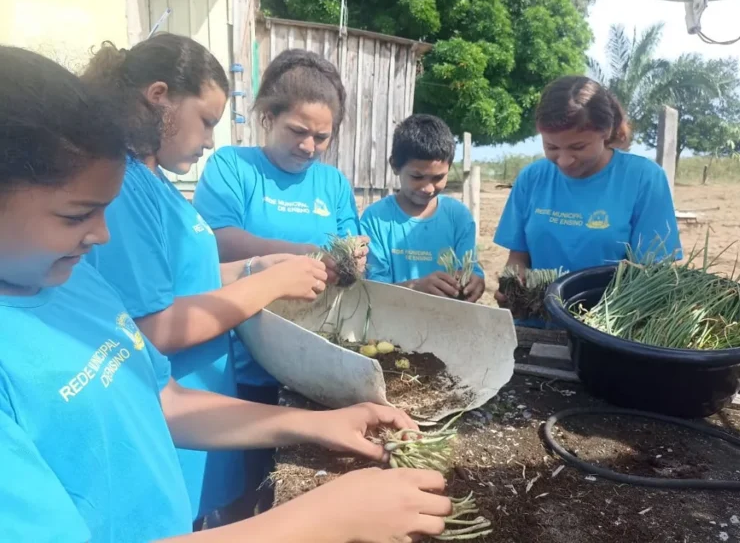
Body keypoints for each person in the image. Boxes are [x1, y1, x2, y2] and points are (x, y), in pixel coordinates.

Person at [0, 44, 453, 543]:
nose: (103, 235)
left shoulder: (76, 281)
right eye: (74, 215)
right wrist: (326, 519)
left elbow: (164, 401)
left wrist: (315, 425)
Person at [80, 35, 327, 524]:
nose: (211, 139)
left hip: (204, 405)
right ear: (159, 98)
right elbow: (153, 327)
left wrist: (258, 266)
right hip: (175, 414)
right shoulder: (126, 187)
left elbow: (184, 279)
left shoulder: (157, 183)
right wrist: (271, 286)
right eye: (207, 121)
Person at [192, 49, 368, 494]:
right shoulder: (233, 166)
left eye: (322, 137)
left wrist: (355, 258)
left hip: (317, 363)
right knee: (238, 490)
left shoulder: (332, 184)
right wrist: (304, 253)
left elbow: (352, 242)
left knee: (299, 489)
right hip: (245, 362)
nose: (309, 146)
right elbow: (216, 239)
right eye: (298, 131)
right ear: (268, 116)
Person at [494, 75, 682, 305]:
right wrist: (512, 284)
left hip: (606, 329)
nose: (564, 160)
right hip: (537, 322)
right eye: (551, 146)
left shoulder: (644, 178)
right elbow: (517, 258)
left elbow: (654, 274)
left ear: (606, 132)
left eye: (578, 147)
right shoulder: (532, 178)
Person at [360, 114, 485, 302]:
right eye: (417, 177)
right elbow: (373, 289)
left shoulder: (458, 217)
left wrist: (475, 281)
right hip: (392, 324)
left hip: (448, 321)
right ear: (395, 165)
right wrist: (415, 288)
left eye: (438, 178)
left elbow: (470, 267)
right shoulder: (376, 218)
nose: (428, 188)